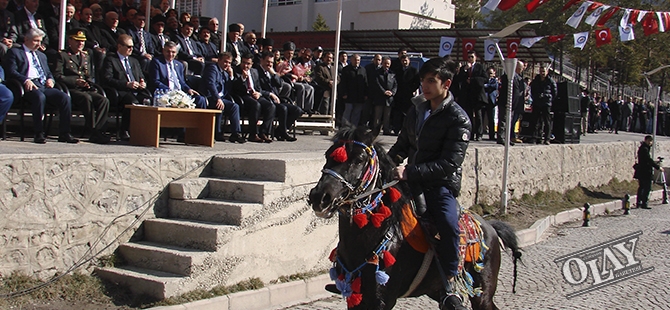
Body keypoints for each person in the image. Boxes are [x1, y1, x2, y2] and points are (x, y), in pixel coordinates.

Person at [387, 57, 469, 310]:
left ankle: (449, 284)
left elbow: (448, 164)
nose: (425, 85)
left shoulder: (458, 119)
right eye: (423, 80)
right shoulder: (416, 109)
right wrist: (385, 166)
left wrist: (411, 172)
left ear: (446, 83)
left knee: (448, 223)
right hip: (410, 178)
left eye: (431, 81)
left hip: (439, 184)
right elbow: (402, 146)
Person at [3, 28, 77, 144]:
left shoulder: (41, 55)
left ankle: (65, 133)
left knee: (64, 97)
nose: (38, 44)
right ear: (26, 39)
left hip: (42, 85)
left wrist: (50, 79)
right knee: (39, 97)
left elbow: (47, 72)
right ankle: (38, 133)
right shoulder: (15, 52)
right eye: (36, 41)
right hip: (26, 86)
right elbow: (11, 71)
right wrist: (25, 80)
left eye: (40, 41)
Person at [53, 28, 110, 144]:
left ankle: (98, 130)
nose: (80, 44)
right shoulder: (62, 55)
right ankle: (92, 131)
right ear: (70, 41)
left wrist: (88, 83)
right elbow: (58, 75)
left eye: (82, 41)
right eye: (77, 41)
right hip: (70, 89)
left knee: (103, 100)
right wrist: (75, 81)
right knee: (86, 98)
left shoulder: (85, 56)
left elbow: (88, 75)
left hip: (84, 88)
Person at [101, 34, 150, 140]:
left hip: (136, 90)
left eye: (132, 46)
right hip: (120, 91)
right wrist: (126, 84)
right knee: (132, 102)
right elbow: (107, 79)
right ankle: (125, 130)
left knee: (148, 100)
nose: (131, 49)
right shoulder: (111, 59)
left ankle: (144, 131)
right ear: (119, 46)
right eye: (128, 47)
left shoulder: (134, 61)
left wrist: (143, 83)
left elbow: (141, 76)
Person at [198, 52, 245, 143]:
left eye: (229, 63)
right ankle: (217, 133)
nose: (227, 65)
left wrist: (231, 76)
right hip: (210, 97)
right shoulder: (213, 68)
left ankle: (236, 133)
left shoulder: (225, 73)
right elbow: (211, 84)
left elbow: (228, 88)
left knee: (235, 106)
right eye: (225, 62)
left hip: (221, 98)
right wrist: (218, 98)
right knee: (219, 105)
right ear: (219, 60)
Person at [148, 41, 207, 109]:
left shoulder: (179, 65)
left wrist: (188, 89)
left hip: (180, 94)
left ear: (176, 53)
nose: (170, 54)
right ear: (163, 51)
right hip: (165, 93)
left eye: (173, 52)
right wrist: (171, 90)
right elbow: (155, 81)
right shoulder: (157, 62)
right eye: (168, 51)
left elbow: (182, 82)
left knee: (201, 99)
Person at [256, 50, 300, 141]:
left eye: (271, 62)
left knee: (297, 110)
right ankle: (278, 133)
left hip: (276, 99)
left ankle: (280, 131)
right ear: (262, 60)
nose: (269, 64)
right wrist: (270, 94)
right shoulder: (256, 71)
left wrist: (274, 74)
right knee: (283, 109)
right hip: (265, 99)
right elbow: (257, 89)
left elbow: (280, 84)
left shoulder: (271, 72)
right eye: (267, 62)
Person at [233, 52, 275, 143]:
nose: (245, 66)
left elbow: (258, 87)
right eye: (244, 62)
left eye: (248, 64)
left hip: (254, 94)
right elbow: (234, 88)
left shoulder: (254, 71)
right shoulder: (235, 70)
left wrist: (258, 93)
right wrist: (242, 79)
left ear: (252, 64)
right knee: (256, 105)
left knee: (270, 106)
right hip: (243, 95)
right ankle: (253, 134)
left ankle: (263, 132)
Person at [454, 50, 487, 141]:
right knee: (468, 115)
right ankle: (471, 133)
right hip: (467, 95)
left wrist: (472, 80)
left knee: (478, 115)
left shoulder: (480, 67)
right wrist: (464, 70)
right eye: (468, 57)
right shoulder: (464, 68)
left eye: (472, 57)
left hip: (476, 95)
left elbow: (485, 79)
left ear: (475, 57)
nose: (470, 59)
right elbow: (458, 79)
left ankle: (479, 133)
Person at [392, 54, 419, 135]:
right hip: (398, 95)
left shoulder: (414, 71)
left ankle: (407, 130)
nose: (404, 62)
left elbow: (417, 82)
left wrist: (412, 90)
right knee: (397, 114)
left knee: (408, 114)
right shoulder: (397, 70)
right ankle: (396, 129)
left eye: (406, 60)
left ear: (409, 61)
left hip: (409, 96)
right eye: (403, 61)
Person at [530, 65, 556, 144]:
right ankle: (534, 137)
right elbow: (532, 90)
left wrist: (547, 97)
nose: (542, 73)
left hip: (546, 103)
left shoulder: (550, 81)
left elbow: (554, 92)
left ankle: (547, 138)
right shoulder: (536, 80)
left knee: (547, 121)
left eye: (544, 71)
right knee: (535, 121)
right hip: (537, 103)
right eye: (541, 71)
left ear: (547, 72)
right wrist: (536, 97)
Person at [634, 135, 662, 209]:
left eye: (651, 141)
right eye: (649, 141)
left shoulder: (644, 148)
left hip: (642, 170)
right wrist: (658, 167)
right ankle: (644, 203)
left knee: (642, 187)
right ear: (646, 140)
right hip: (645, 171)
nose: (650, 143)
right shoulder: (644, 149)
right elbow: (648, 160)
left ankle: (639, 202)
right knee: (646, 187)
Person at [371, 56, 397, 136]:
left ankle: (386, 129)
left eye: (388, 64)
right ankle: (375, 130)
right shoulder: (377, 73)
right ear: (382, 63)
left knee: (387, 116)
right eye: (385, 63)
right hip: (379, 97)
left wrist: (392, 92)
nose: (387, 65)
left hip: (389, 99)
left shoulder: (392, 74)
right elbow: (376, 84)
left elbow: (395, 85)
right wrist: (384, 91)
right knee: (378, 116)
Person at [340, 53, 367, 126]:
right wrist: (344, 93)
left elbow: (365, 82)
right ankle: (345, 128)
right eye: (355, 60)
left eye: (358, 60)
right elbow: (343, 83)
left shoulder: (363, 70)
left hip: (359, 96)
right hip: (349, 95)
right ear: (351, 60)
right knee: (348, 112)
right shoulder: (346, 70)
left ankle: (353, 128)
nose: (356, 61)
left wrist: (365, 94)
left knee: (356, 113)